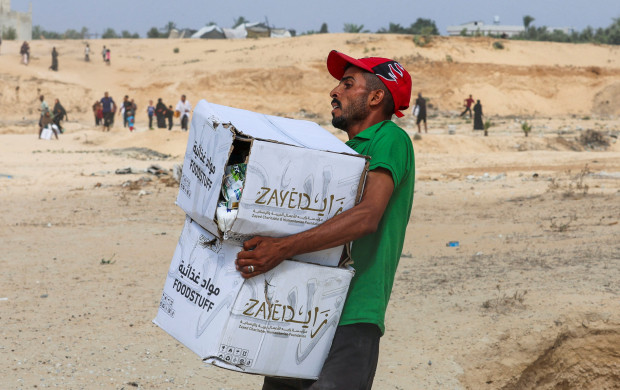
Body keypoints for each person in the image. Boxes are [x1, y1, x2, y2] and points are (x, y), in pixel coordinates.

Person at [235, 50, 415, 390]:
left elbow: (366, 217)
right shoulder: (339, 154)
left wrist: (282, 247)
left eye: (348, 84)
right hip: (301, 308)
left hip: (352, 313)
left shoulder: (390, 139)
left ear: (377, 97)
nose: (335, 91)